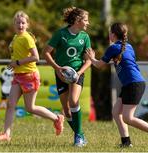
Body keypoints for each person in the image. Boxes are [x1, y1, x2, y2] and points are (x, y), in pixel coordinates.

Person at [86, 22, 148, 147]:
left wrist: (91, 57)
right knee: (116, 112)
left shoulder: (113, 48)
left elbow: (99, 65)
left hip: (133, 84)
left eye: (110, 33)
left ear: (113, 34)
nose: (109, 35)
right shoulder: (128, 46)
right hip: (133, 83)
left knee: (128, 118)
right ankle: (126, 142)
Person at [0, 10, 64, 141]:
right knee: (10, 105)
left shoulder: (27, 38)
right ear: (14, 24)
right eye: (18, 22)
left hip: (30, 76)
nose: (20, 25)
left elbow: (36, 57)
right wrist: (15, 63)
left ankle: (57, 118)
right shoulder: (15, 38)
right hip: (18, 76)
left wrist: (17, 62)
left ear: (27, 25)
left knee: (30, 108)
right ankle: (6, 134)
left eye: (23, 23)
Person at [43, 7, 91, 147]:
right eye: (86, 20)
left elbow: (88, 60)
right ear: (77, 20)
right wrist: (57, 68)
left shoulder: (85, 37)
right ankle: (80, 134)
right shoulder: (60, 34)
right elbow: (46, 52)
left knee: (74, 100)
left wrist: (79, 73)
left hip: (77, 72)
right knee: (66, 108)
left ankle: (78, 137)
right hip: (62, 73)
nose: (88, 23)